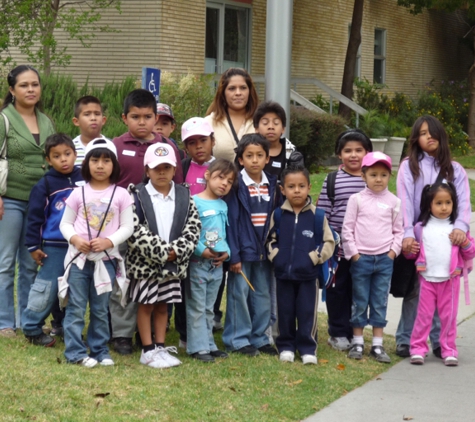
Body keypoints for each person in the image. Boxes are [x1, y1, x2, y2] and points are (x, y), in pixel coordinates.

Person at [110, 89, 184, 356]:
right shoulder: (116, 146)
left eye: (147, 117)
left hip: (160, 231)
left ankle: (152, 336)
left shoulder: (168, 147)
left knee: (156, 282)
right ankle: (121, 333)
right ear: (124, 118)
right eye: (135, 117)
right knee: (124, 280)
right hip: (121, 226)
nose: (142, 122)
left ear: (156, 118)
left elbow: (179, 189)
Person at [395, 115, 471, 358]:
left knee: (444, 289)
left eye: (433, 132)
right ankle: (406, 340)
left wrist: (461, 227)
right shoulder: (409, 166)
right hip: (419, 237)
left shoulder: (455, 169)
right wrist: (408, 234)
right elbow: (405, 201)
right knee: (415, 291)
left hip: (447, 239)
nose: (429, 136)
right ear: (416, 138)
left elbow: (464, 203)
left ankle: (440, 343)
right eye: (424, 133)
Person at [59, 138, 134, 367]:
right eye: (95, 160)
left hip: (106, 261)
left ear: (114, 165)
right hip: (79, 261)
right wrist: (75, 239)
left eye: (106, 160)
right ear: (87, 163)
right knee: (76, 308)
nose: (100, 165)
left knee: (101, 309)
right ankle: (75, 352)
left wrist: (109, 242)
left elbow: (127, 227)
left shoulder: (121, 194)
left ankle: (100, 350)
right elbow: (66, 223)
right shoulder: (77, 193)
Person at [126, 143, 201, 369]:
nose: (161, 172)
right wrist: (160, 251)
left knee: (163, 305)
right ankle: (147, 350)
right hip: (145, 264)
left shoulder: (184, 194)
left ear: (174, 169)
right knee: (146, 304)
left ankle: (160, 346)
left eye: (167, 167)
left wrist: (176, 251)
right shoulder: (137, 194)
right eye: (156, 168)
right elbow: (134, 229)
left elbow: (193, 226)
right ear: (147, 169)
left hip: (173, 265)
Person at [0, 65, 55, 337]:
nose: (31, 89)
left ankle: (26, 319)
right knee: (6, 262)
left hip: (38, 204)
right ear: (12, 90)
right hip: (8, 199)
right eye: (24, 85)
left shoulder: (46, 121)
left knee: (31, 262)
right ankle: (4, 322)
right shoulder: (3, 119)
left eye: (35, 84)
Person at [205, 68, 259, 330]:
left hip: (249, 198)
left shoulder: (258, 120)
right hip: (218, 195)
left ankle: (244, 314)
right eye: (232, 88)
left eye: (243, 88)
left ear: (250, 91)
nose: (238, 93)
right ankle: (212, 312)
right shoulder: (211, 120)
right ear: (223, 92)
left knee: (241, 251)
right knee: (216, 248)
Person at [267, 165, 335, 364]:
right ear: (283, 190)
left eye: (301, 186)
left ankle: (307, 348)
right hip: (283, 275)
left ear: (309, 187)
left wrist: (313, 258)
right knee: (285, 311)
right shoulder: (278, 215)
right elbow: (270, 240)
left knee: (307, 312)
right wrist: (276, 257)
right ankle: (286, 346)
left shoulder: (318, 216)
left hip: (308, 277)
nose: (296, 190)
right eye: (291, 186)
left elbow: (329, 242)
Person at [342, 151, 403, 363]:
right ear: (364, 176)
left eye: (383, 175)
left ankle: (377, 345)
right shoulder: (356, 200)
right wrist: (354, 254)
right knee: (359, 301)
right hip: (362, 259)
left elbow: (399, 231)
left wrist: (393, 252)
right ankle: (357, 341)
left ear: (389, 176)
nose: (378, 179)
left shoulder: (394, 201)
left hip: (384, 260)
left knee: (379, 301)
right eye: (373, 174)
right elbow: (347, 229)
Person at [21, 134, 83, 346]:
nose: (63, 159)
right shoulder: (44, 184)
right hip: (54, 246)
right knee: (47, 288)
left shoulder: (86, 178)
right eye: (56, 156)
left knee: (76, 289)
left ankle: (70, 329)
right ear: (48, 160)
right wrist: (33, 246)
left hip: (81, 245)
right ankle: (31, 327)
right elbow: (34, 218)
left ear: (75, 154)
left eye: (67, 154)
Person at [223, 134, 280, 356]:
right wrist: (233, 255)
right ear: (240, 160)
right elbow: (231, 222)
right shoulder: (236, 186)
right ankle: (237, 339)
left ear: (267, 158)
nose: (254, 160)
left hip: (265, 252)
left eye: (259, 155)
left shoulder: (274, 185)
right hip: (242, 252)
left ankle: (259, 338)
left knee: (263, 295)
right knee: (239, 294)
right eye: (249, 156)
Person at [406, 182, 475, 366]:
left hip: (450, 280)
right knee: (423, 316)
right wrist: (408, 249)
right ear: (429, 205)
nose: (444, 207)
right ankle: (418, 349)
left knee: (449, 317)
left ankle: (449, 350)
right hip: (426, 279)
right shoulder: (420, 228)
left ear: (454, 204)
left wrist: (464, 243)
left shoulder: (458, 228)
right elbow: (412, 253)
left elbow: (470, 252)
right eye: (438, 203)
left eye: (448, 203)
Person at [317, 129, 373, 352]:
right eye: (347, 151)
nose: (353, 155)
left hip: (364, 248)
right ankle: (338, 332)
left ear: (367, 153)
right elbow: (323, 213)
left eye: (359, 150)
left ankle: (355, 332)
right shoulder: (332, 180)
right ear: (339, 155)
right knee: (337, 289)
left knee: (358, 291)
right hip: (338, 250)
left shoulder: (373, 178)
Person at [186, 158, 237, 362]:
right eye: (220, 177)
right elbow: (188, 233)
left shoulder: (223, 205)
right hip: (198, 264)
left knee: (209, 307)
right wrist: (200, 251)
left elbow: (222, 233)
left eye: (229, 181)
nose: (224, 183)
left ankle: (209, 343)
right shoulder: (194, 201)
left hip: (216, 266)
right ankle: (197, 347)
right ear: (207, 175)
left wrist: (227, 253)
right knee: (197, 306)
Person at [253, 100, 302, 179]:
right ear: (256, 128)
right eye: (265, 123)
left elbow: (297, 182)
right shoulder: (246, 149)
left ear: (283, 128)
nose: (271, 127)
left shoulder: (292, 153)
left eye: (276, 123)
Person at [182, 117, 216, 195]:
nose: (198, 146)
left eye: (203, 140)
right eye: (192, 142)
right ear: (186, 147)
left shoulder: (222, 168)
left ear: (213, 141)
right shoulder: (183, 167)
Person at [72, 95, 107, 165]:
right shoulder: (70, 148)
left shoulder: (111, 146)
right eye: (87, 114)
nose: (93, 118)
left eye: (97, 114)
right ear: (76, 121)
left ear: (103, 120)